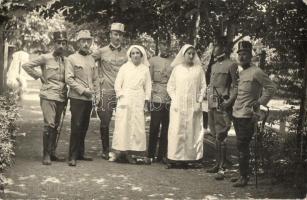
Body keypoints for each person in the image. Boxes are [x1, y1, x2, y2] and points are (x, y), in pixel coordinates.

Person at [231, 41, 276, 187]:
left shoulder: (256, 71)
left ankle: (244, 177)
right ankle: (242, 173)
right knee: (240, 146)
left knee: (242, 145)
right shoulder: (241, 72)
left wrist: (260, 102)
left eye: (245, 54)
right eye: (240, 54)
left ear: (251, 56)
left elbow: (271, 87)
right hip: (237, 113)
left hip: (248, 115)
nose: (242, 57)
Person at [22, 31, 68, 165]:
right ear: (54, 44)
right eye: (58, 43)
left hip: (61, 96)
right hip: (48, 95)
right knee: (49, 125)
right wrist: (39, 76)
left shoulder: (66, 61)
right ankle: (46, 155)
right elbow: (26, 65)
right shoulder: (45, 58)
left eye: (63, 43)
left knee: (56, 126)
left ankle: (52, 152)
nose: (61, 45)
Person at [92, 22, 127, 160]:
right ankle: (105, 150)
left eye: (120, 35)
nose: (118, 37)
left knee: (123, 121)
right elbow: (88, 62)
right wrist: (97, 77)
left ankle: (121, 150)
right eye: (115, 34)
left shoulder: (127, 53)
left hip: (122, 93)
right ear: (110, 35)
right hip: (106, 90)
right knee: (105, 122)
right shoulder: (101, 51)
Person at [166, 44, 205, 169]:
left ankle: (190, 158)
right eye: (189, 53)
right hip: (178, 104)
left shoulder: (199, 69)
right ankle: (174, 158)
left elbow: (203, 86)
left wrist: (199, 101)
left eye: (193, 53)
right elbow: (170, 87)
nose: (191, 55)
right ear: (183, 55)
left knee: (192, 130)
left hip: (193, 104)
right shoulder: (177, 69)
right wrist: (175, 99)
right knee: (176, 130)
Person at [111, 45, 151, 164]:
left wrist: (146, 99)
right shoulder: (124, 67)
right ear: (130, 55)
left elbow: (148, 86)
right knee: (123, 125)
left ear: (141, 55)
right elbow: (117, 84)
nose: (135, 55)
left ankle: (132, 152)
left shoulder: (145, 69)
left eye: (137, 53)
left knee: (136, 126)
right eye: (133, 53)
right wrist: (121, 96)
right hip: (126, 98)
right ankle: (121, 153)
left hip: (138, 98)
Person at [206, 38, 238, 179]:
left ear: (224, 48)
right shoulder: (213, 65)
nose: (213, 49)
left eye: (216, 46)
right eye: (214, 47)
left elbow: (236, 86)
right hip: (212, 103)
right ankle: (217, 163)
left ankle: (222, 167)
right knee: (214, 134)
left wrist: (230, 101)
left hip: (223, 102)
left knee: (222, 134)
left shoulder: (232, 65)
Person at [65, 30, 98, 166]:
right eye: (83, 41)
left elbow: (95, 79)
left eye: (88, 41)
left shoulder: (92, 59)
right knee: (76, 125)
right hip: (77, 98)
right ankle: (72, 156)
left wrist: (95, 93)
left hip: (89, 99)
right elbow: (69, 79)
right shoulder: (71, 58)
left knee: (84, 126)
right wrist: (84, 91)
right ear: (78, 43)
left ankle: (80, 153)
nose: (86, 44)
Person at [147, 41, 174, 163]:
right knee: (154, 126)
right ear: (160, 46)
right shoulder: (152, 61)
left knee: (166, 127)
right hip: (156, 96)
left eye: (167, 45)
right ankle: (150, 154)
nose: (165, 47)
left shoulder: (174, 62)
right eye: (163, 44)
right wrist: (149, 97)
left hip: (169, 97)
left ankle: (162, 155)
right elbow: (149, 80)